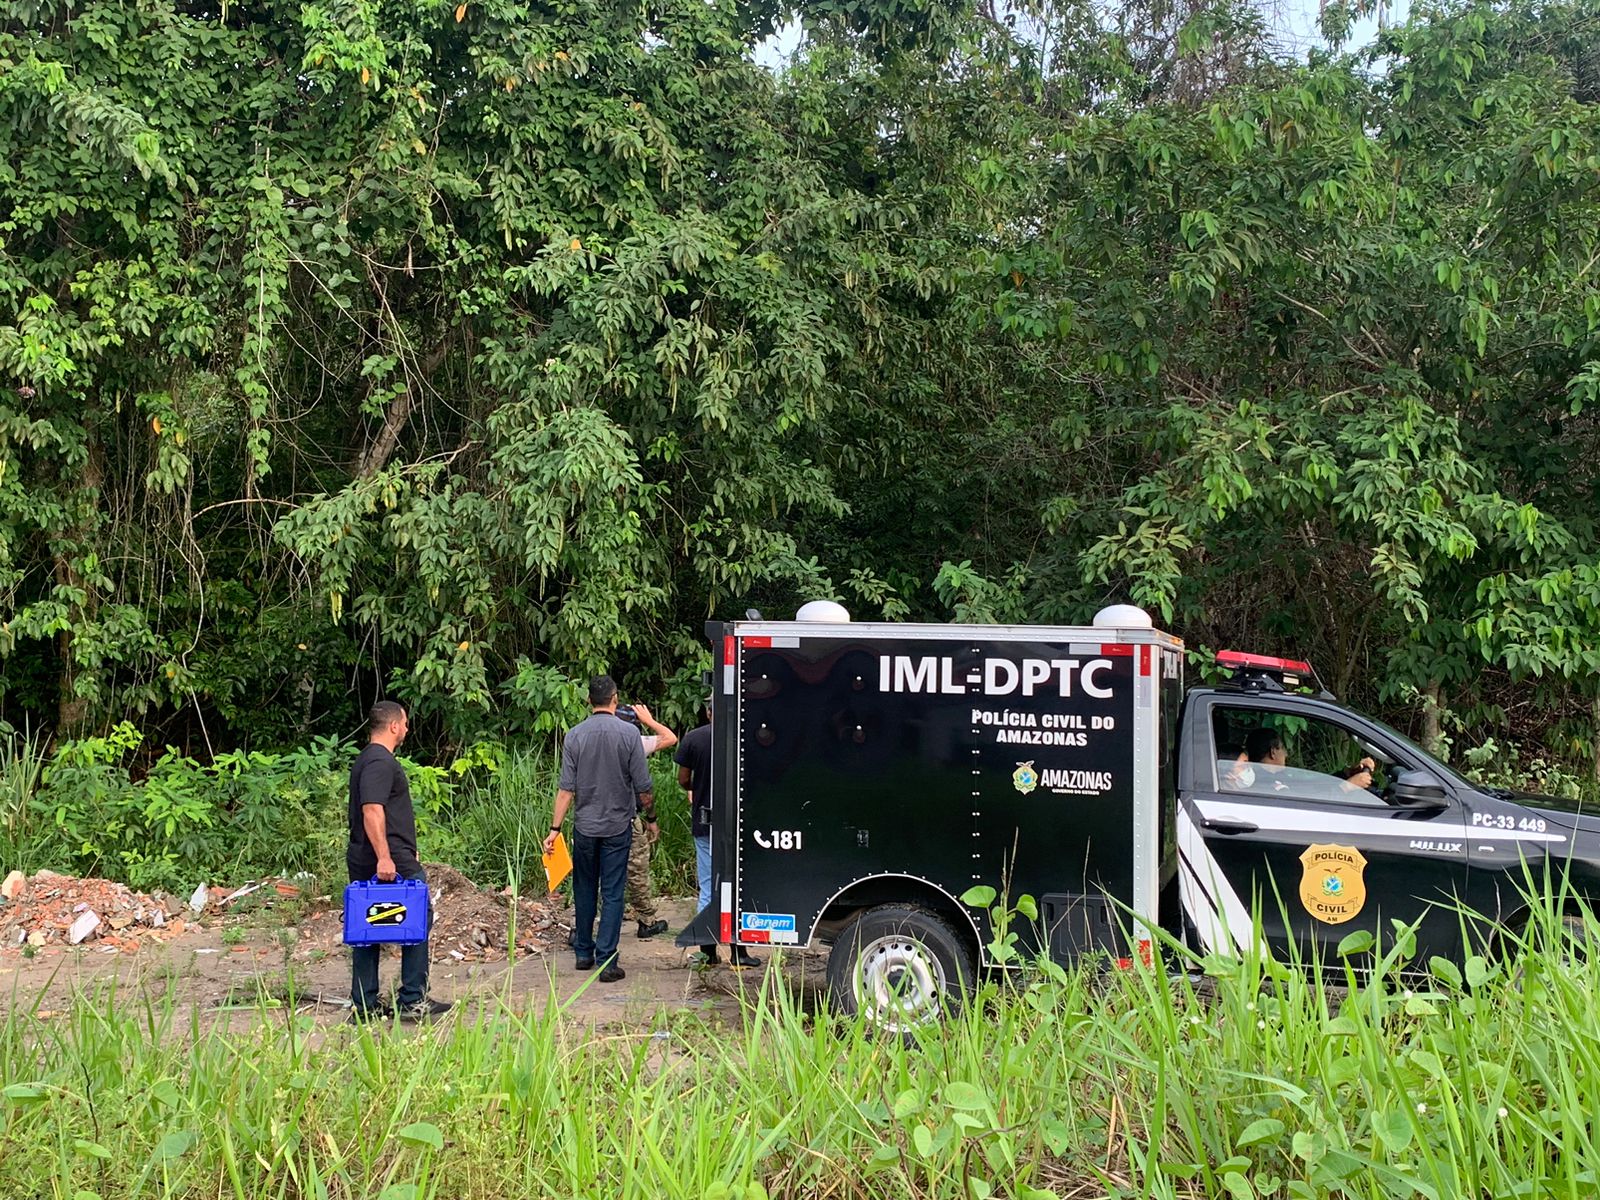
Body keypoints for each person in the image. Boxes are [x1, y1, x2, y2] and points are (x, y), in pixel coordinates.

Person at [545, 675, 656, 983]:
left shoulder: (575, 736)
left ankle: (583, 951)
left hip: (585, 827)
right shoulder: (629, 734)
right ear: (615, 699)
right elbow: (643, 785)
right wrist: (651, 818)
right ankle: (607, 959)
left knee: (584, 889)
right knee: (613, 892)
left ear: (588, 701)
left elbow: (566, 789)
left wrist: (555, 829)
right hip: (617, 827)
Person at [347, 700, 452, 1022]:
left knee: (369, 923)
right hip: (385, 858)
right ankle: (411, 998)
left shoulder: (368, 759)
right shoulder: (380, 762)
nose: (407, 728)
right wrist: (385, 858)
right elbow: (372, 809)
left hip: (380, 853)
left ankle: (365, 1004)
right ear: (394, 726)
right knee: (419, 914)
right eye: (405, 723)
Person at [675, 699, 759, 968]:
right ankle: (739, 953)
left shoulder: (694, 739)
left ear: (708, 712)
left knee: (709, 886)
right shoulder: (745, 736)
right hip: (738, 824)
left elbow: (683, 779)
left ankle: (708, 952)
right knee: (738, 886)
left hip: (705, 822)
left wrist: (696, 787)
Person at [621, 702, 677, 939]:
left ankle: (582, 927)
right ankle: (646, 920)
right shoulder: (634, 743)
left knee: (594, 873)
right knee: (637, 870)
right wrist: (649, 720)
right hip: (627, 817)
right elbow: (670, 738)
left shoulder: (588, 738)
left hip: (592, 820)